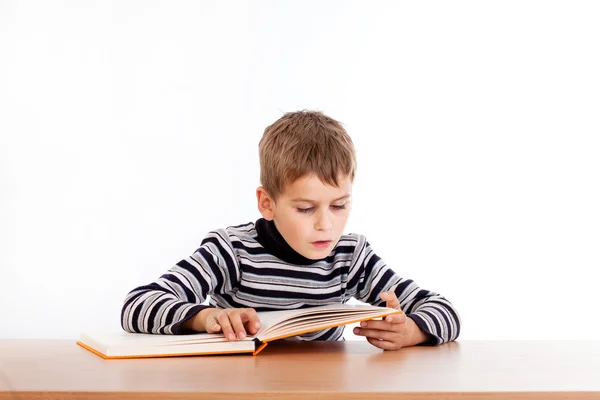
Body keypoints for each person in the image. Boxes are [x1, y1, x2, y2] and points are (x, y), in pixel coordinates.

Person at [121, 110, 461, 350]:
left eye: (339, 206)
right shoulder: (231, 251)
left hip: (321, 391)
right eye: (305, 208)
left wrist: (413, 331)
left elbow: (446, 311)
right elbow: (136, 306)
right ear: (267, 203)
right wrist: (208, 317)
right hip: (238, 389)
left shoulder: (350, 257)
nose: (325, 224)